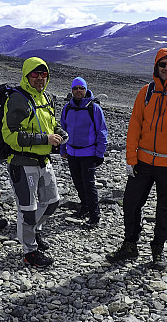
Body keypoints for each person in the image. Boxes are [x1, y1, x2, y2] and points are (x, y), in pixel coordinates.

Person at [106, 47, 167, 270]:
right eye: (163, 64)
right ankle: (130, 245)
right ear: (156, 67)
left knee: (164, 208)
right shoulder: (146, 92)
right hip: (143, 161)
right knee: (131, 203)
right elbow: (134, 127)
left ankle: (158, 249)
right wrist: (131, 159)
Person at [2, 57, 69, 267]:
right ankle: (29, 251)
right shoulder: (18, 100)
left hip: (44, 161)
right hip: (23, 164)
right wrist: (44, 139)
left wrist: (59, 133)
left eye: (43, 74)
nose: (40, 78)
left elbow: (51, 123)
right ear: (26, 75)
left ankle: (34, 232)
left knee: (52, 202)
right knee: (28, 210)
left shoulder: (46, 97)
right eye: (35, 74)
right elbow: (10, 136)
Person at [60, 77, 108, 228]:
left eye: (81, 88)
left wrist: (100, 154)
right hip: (72, 153)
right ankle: (85, 207)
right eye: (75, 88)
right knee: (78, 183)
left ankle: (95, 216)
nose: (78, 91)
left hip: (88, 153)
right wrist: (62, 149)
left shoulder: (94, 108)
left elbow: (102, 132)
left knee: (89, 185)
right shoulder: (67, 108)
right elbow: (62, 130)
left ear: (86, 89)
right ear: (72, 90)